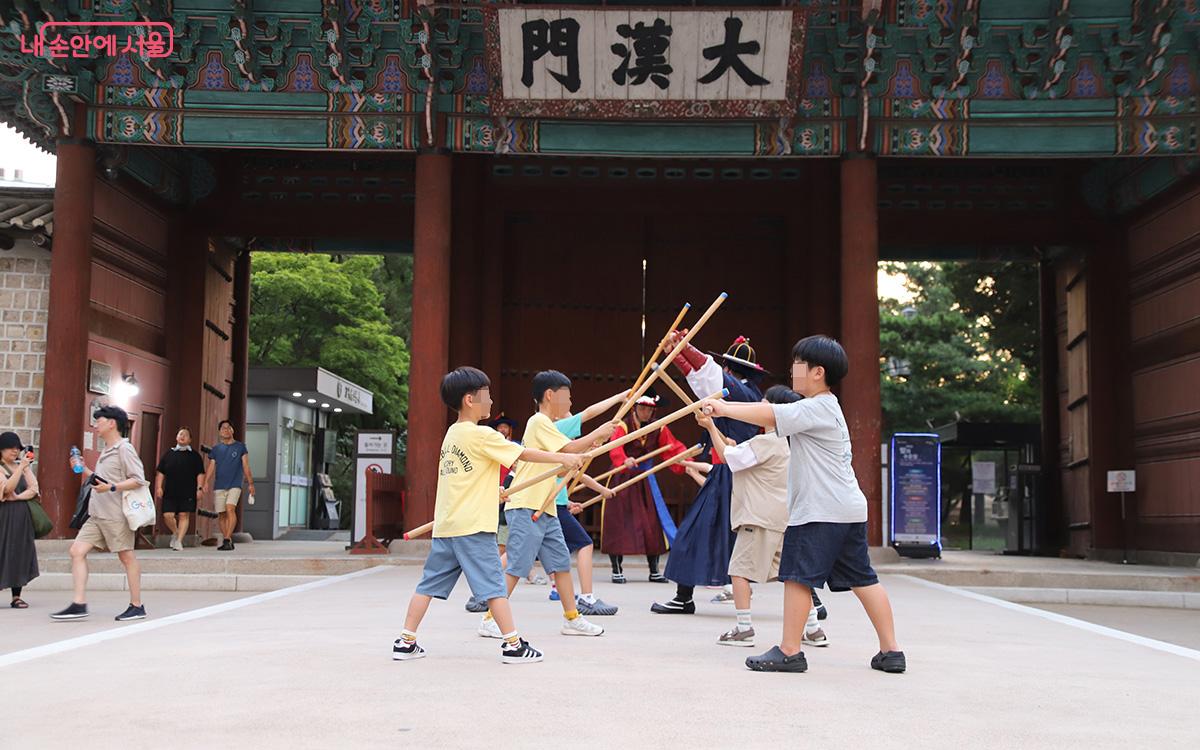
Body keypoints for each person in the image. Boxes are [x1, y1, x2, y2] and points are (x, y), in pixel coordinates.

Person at [700, 335, 905, 674]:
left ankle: (790, 651)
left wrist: (721, 408)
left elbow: (770, 412)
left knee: (796, 577)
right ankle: (891, 650)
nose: (792, 369)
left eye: (798, 364)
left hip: (821, 510)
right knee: (864, 579)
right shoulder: (827, 407)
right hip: (847, 508)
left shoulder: (815, 407)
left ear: (817, 372)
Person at [394, 367, 582, 663]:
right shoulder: (481, 434)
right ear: (470, 399)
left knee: (427, 585)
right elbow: (522, 453)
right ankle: (512, 645)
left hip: (447, 526)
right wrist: (563, 457)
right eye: (487, 395)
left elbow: (466, 477)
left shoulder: (452, 435)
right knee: (495, 586)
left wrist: (493, 490)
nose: (492, 401)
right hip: (473, 528)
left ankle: (405, 641)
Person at [479, 370, 615, 640]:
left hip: (546, 507)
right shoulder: (538, 421)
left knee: (561, 563)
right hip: (526, 506)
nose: (570, 401)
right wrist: (597, 433)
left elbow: (570, 453)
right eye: (566, 396)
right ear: (550, 395)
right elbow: (569, 451)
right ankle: (489, 618)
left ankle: (572, 618)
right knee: (517, 565)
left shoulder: (548, 427)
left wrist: (594, 441)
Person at [694, 386, 828, 648]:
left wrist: (711, 428)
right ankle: (813, 628)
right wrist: (717, 431)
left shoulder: (766, 442)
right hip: (783, 519)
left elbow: (728, 458)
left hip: (759, 518)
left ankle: (744, 629)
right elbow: (735, 451)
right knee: (793, 576)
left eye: (765, 406)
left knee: (739, 572)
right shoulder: (790, 443)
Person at [651, 335, 767, 615]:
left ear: (730, 370)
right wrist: (676, 353)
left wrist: (685, 347)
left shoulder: (743, 393)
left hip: (737, 475)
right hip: (725, 472)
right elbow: (699, 379)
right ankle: (683, 596)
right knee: (702, 533)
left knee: (768, 540)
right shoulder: (735, 392)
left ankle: (811, 598)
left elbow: (707, 372)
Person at [51, 405, 150, 622]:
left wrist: (112, 488)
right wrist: (84, 469)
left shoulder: (124, 448)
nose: (96, 425)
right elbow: (100, 480)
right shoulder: (107, 449)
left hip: (115, 514)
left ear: (111, 423)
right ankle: (78, 603)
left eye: (99, 421)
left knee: (126, 556)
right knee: (77, 551)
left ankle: (137, 605)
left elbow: (138, 479)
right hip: (96, 514)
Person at [547, 389, 628, 616]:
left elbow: (570, 474)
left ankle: (487, 596)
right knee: (584, 543)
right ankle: (586, 597)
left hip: (554, 504)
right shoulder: (553, 429)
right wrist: (618, 397)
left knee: (522, 555)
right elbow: (588, 414)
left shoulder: (555, 440)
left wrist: (574, 499)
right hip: (551, 506)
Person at [603, 389, 687, 584]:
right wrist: (623, 460)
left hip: (646, 478)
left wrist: (685, 461)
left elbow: (672, 447)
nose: (646, 413)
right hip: (622, 478)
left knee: (652, 524)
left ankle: (654, 569)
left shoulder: (659, 426)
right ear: (635, 408)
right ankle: (616, 568)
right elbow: (614, 447)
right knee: (618, 522)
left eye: (649, 410)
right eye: (642, 408)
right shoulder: (623, 425)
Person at [0, 432, 39, 609]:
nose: (16, 451)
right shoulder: (1, 468)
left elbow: (34, 489)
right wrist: (20, 468)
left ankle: (17, 596)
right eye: (12, 447)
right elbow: (7, 488)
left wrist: (17, 498)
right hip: (3, 516)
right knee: (2, 550)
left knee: (20, 552)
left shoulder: (23, 466)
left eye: (18, 448)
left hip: (21, 515)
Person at [203, 419, 254, 551]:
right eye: (223, 428)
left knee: (230, 508)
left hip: (235, 484)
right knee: (222, 514)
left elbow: (246, 465)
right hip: (219, 484)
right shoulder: (216, 449)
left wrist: (251, 483)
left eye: (228, 427)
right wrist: (205, 482)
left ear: (232, 430)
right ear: (219, 432)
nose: (226, 430)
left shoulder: (240, 447)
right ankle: (228, 540)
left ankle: (226, 538)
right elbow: (211, 466)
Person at [155, 427, 207, 551]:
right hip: (170, 490)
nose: (182, 436)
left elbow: (200, 473)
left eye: (185, 435)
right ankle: (176, 532)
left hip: (188, 490)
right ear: (176, 437)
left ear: (190, 440)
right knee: (168, 515)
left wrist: (199, 488)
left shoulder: (194, 456)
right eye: (180, 434)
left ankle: (179, 541)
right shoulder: (169, 454)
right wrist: (159, 487)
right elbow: (161, 472)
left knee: (184, 514)